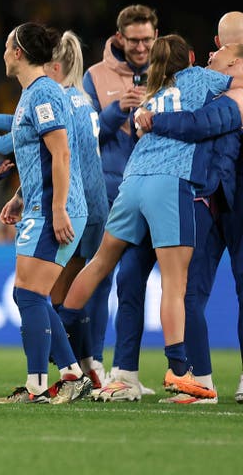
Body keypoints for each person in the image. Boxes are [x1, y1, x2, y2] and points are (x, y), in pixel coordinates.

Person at [60, 34, 243, 402]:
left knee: (99, 264)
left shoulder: (152, 92)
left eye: (219, 50)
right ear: (190, 59)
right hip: (170, 184)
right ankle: (179, 370)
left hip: (132, 181)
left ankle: (60, 338)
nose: (213, 54)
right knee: (176, 283)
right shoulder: (201, 78)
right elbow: (229, 91)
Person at [0, 23, 92, 404]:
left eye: (6, 46)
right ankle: (70, 375)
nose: (2, 54)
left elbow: (62, 152)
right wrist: (20, 196)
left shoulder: (44, 91)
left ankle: (37, 386)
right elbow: (40, 157)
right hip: (39, 204)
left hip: (55, 209)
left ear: (18, 52)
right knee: (29, 294)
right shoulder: (32, 93)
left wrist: (58, 208)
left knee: (30, 294)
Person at [139, 40, 243, 403]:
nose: (212, 57)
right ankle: (202, 382)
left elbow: (201, 125)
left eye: (222, 55)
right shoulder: (209, 90)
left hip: (233, 203)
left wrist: (154, 119)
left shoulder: (239, 96)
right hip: (207, 200)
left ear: (237, 64)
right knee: (190, 293)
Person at [81, 4, 159, 396]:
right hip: (110, 192)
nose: (142, 47)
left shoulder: (169, 75)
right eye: (135, 40)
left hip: (154, 190)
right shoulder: (95, 76)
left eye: (148, 39)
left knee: (132, 283)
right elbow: (84, 137)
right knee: (99, 279)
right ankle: (92, 364)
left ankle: (126, 372)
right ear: (119, 39)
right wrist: (117, 109)